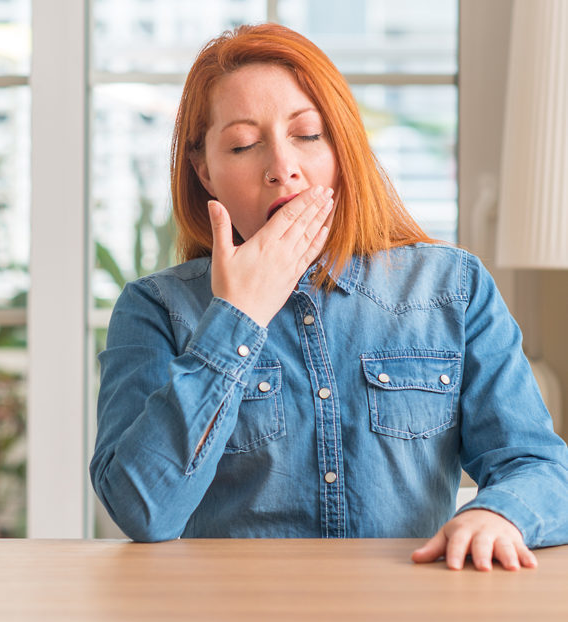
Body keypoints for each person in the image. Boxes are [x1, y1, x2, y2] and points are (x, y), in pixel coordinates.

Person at [89, 23, 568, 571]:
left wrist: (500, 514)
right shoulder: (155, 310)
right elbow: (141, 508)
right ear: (205, 171)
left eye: (309, 134)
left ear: (342, 149)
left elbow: (541, 468)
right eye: (243, 145)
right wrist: (236, 319)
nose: (282, 169)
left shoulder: (452, 289)